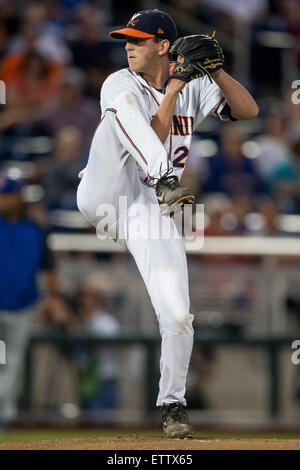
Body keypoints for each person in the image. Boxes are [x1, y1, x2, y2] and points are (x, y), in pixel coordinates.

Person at [76, 9, 258, 438]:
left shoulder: (192, 86)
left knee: (177, 313)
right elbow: (153, 133)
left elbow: (247, 111)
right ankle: (165, 180)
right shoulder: (119, 81)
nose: (128, 46)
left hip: (146, 207)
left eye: (137, 40)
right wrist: (175, 86)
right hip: (104, 191)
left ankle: (173, 405)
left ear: (163, 46)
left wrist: (218, 71)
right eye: (127, 39)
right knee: (119, 112)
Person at [0, 174, 60, 430]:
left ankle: (3, 415)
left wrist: (54, 299)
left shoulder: (36, 228)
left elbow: (49, 268)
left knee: (12, 363)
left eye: (7, 194)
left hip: (22, 307)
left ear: (18, 196)